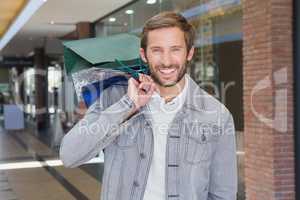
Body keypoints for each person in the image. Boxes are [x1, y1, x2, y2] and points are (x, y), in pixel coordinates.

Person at [60, 11, 237, 200]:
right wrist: (128, 106)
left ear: (189, 52)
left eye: (175, 49)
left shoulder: (216, 115)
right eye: (157, 50)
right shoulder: (114, 97)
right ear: (144, 54)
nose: (166, 61)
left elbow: (222, 194)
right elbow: (70, 155)